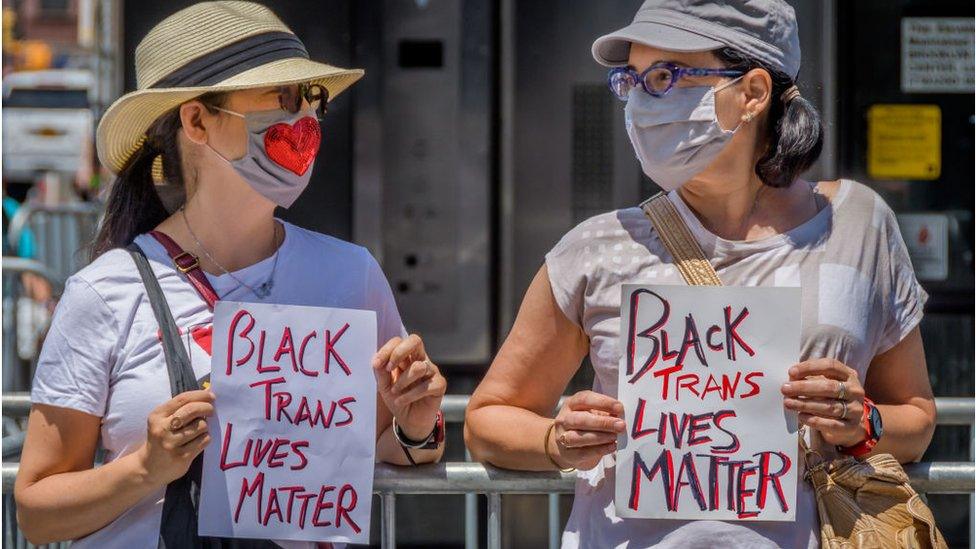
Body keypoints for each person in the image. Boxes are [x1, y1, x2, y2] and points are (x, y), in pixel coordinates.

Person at [465, 1, 936, 547]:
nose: (641, 101)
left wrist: (863, 423)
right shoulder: (595, 249)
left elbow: (918, 419)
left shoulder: (858, 224)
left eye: (666, 76)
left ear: (753, 93)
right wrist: (556, 439)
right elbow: (486, 420)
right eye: (631, 80)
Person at [14, 3, 447, 547]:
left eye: (311, 99)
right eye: (281, 98)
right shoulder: (104, 292)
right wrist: (144, 469)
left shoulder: (351, 274)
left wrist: (418, 422)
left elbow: (377, 454)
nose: (304, 120)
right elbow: (36, 511)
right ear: (196, 121)